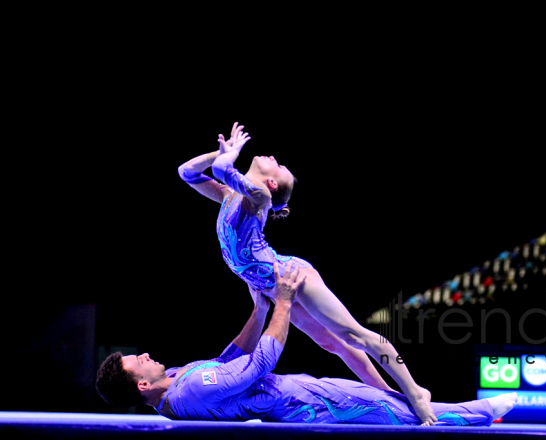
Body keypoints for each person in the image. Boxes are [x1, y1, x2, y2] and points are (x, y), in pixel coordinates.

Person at [177, 122, 440, 423]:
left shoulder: (259, 197)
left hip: (293, 277)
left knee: (355, 335)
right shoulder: (229, 195)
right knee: (332, 343)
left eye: (279, 166)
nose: (274, 158)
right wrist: (219, 153)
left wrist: (231, 154)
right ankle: (390, 396)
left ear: (271, 184)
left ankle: (415, 392)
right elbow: (187, 172)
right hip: (274, 285)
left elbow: (224, 170)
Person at [96, 262, 517, 425]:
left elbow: (231, 356)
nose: (146, 355)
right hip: (304, 405)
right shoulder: (190, 391)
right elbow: (259, 363)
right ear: (142, 387)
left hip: (297, 394)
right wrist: (282, 301)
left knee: (377, 383)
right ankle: (480, 413)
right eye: (139, 362)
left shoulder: (176, 380)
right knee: (396, 412)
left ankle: (435, 402)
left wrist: (260, 311)